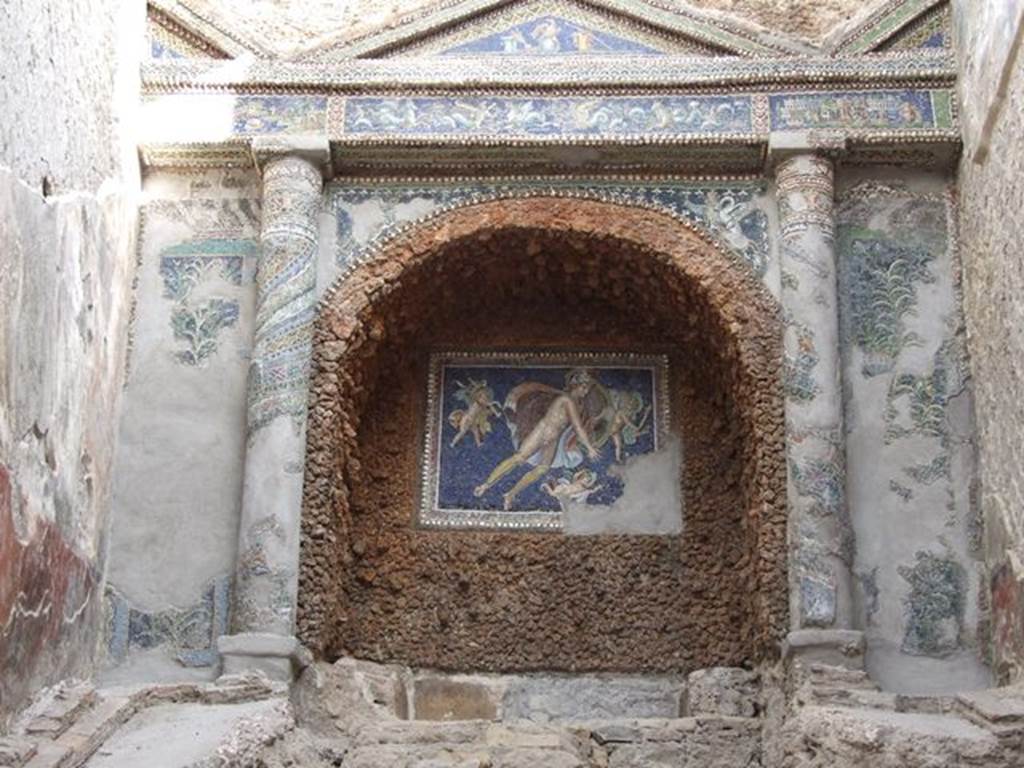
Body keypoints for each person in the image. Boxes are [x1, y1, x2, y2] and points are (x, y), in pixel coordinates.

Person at [474, 369, 602, 510]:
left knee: (542, 469)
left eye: (587, 388)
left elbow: (578, 428)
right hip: (542, 431)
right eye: (583, 387)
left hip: (553, 439)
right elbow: (578, 427)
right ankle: (485, 485)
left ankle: (510, 494)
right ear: (575, 386)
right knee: (519, 458)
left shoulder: (577, 405)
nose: (585, 391)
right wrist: (589, 448)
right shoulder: (567, 400)